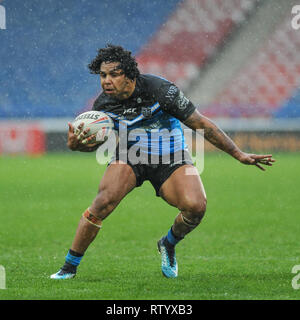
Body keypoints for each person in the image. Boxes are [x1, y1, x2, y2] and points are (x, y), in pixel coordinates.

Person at [50, 44, 275, 279]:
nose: (106, 81)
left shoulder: (161, 90)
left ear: (129, 74)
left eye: (114, 74)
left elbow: (201, 124)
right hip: (130, 156)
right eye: (103, 75)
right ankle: (68, 268)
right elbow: (96, 143)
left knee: (196, 208)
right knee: (102, 203)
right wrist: (76, 146)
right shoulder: (103, 105)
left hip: (172, 156)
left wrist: (239, 154)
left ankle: (168, 243)